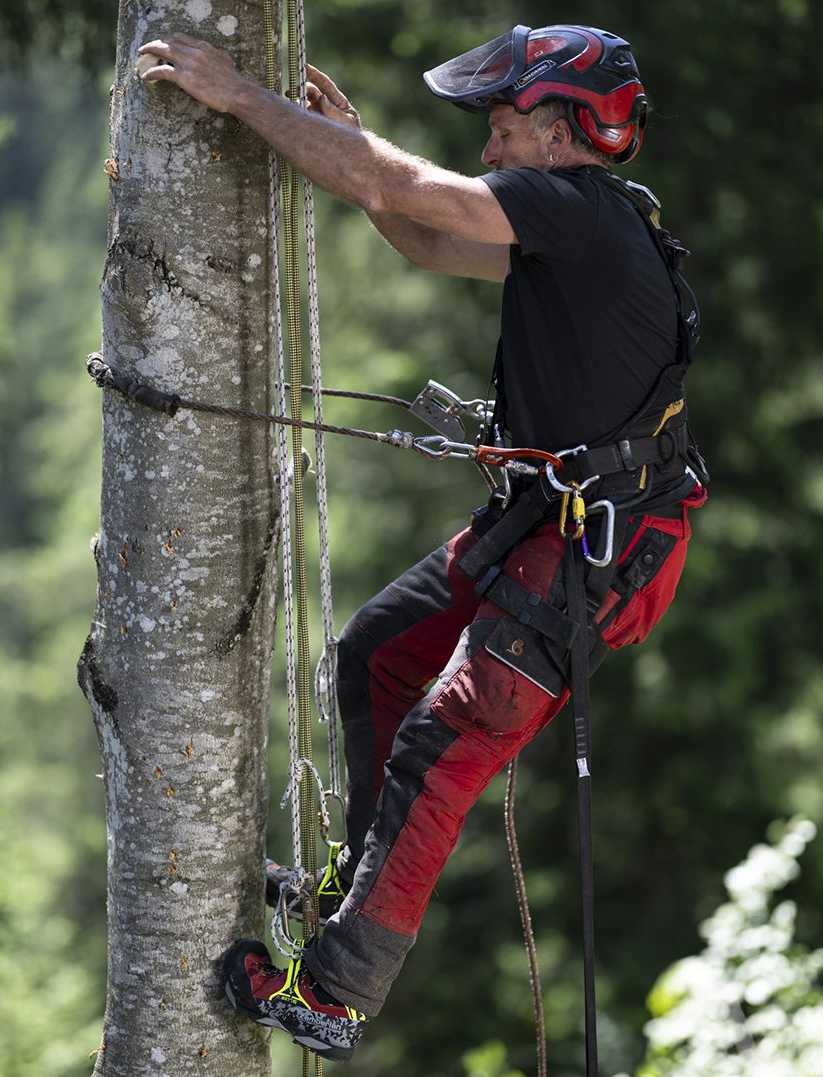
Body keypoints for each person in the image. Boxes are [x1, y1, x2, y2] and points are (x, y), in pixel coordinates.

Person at [139, 23, 708, 1063]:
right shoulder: (583, 220)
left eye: (501, 127)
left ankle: (338, 994)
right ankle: (354, 890)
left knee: (445, 743)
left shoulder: (577, 207)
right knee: (377, 653)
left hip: (585, 553)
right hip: (545, 527)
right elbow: (428, 235)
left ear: (563, 132)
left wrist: (239, 98)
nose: (490, 149)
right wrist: (343, 147)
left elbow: (415, 196)